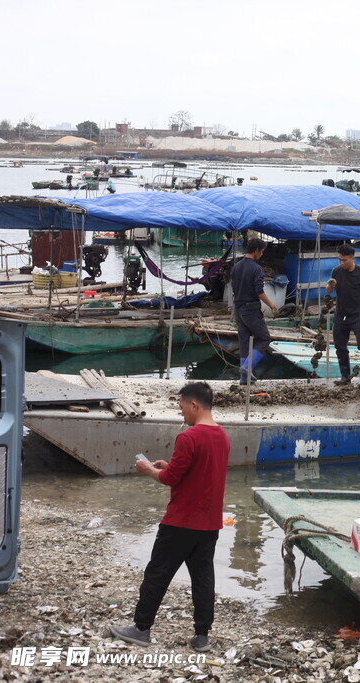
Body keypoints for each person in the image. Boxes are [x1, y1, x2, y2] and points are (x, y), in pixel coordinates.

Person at [109, 382, 230, 652]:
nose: (182, 413)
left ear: (194, 405)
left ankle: (141, 629)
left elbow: (170, 478)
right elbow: (199, 471)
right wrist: (170, 464)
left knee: (157, 574)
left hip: (181, 522)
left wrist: (148, 469)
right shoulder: (222, 436)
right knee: (203, 578)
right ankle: (201, 637)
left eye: (182, 407)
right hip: (209, 523)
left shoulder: (188, 436)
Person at [326, 244, 360, 384]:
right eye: (340, 260)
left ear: (353, 258)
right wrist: (330, 285)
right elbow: (329, 291)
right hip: (340, 315)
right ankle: (345, 376)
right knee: (340, 346)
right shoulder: (336, 271)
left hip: (358, 315)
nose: (342, 263)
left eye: (344, 260)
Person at [230, 238, 278, 384]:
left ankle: (244, 379)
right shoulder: (257, 269)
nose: (262, 254)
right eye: (262, 251)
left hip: (238, 309)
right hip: (250, 309)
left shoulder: (236, 267)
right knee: (264, 339)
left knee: (244, 341)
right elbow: (259, 291)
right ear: (257, 251)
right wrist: (272, 305)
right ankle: (247, 367)